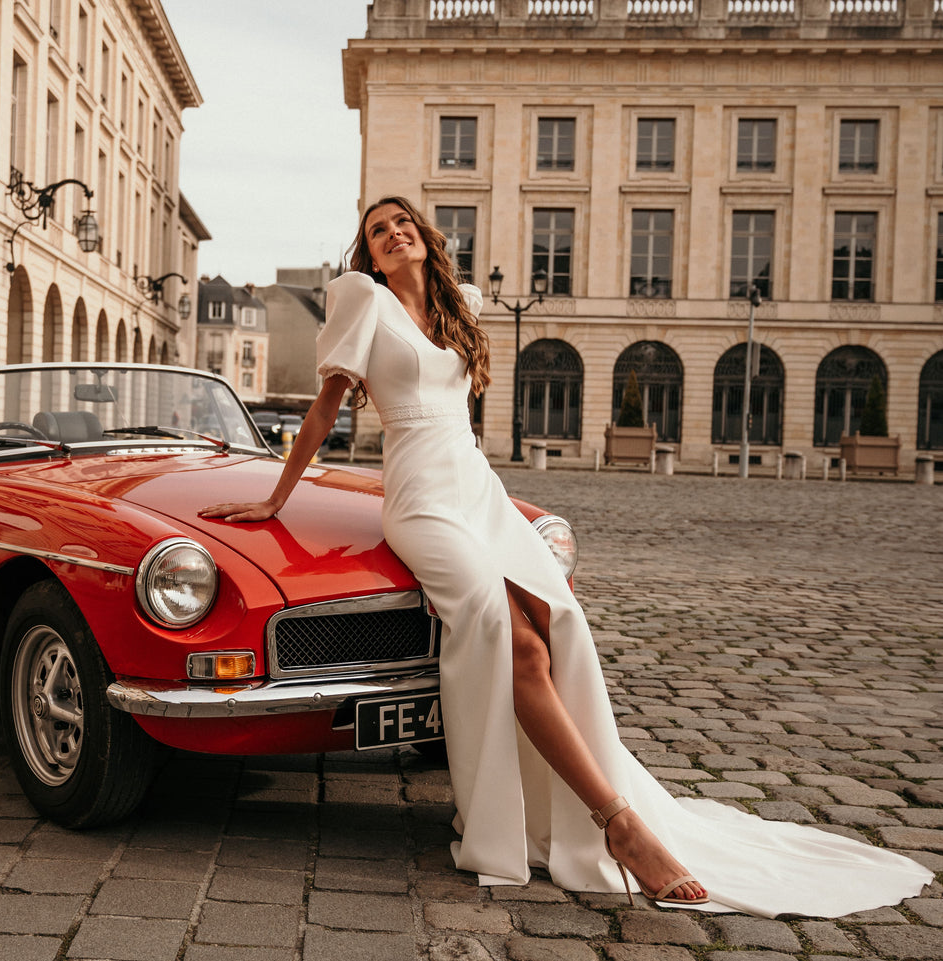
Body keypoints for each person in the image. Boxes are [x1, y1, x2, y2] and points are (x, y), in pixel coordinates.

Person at [199, 196, 932, 917]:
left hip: (477, 487)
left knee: (553, 630)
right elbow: (325, 408)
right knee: (503, 635)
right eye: (375, 231)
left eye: (401, 224)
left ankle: (595, 810)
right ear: (367, 252)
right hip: (420, 497)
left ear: (424, 236)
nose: (391, 235)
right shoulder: (361, 299)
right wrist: (274, 497)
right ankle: (618, 824)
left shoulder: (461, 309)